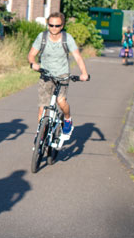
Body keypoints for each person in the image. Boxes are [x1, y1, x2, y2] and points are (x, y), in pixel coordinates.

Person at [27, 12, 89, 141]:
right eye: (51, 25)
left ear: (62, 26)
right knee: (42, 109)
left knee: (61, 102)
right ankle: (41, 135)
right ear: (47, 25)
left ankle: (67, 119)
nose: (54, 28)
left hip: (62, 74)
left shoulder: (67, 38)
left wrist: (84, 73)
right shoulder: (42, 37)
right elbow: (31, 54)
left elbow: (77, 56)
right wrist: (33, 63)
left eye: (57, 25)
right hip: (46, 74)